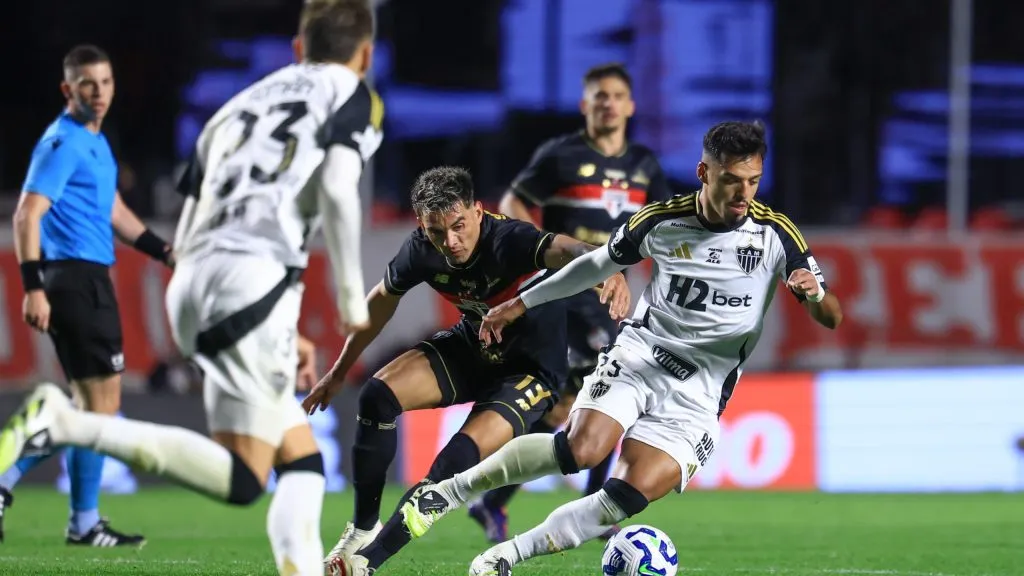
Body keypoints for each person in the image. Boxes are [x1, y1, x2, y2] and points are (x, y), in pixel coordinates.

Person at [0, 1, 380, 574]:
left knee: (300, 459)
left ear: (297, 49)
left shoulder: (236, 105)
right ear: (366, 55)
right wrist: (352, 301)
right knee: (242, 478)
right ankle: (63, 421)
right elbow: (338, 182)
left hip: (207, 282)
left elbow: (194, 202)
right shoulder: (351, 94)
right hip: (244, 285)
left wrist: (271, 324)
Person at [401, 121, 845, 575]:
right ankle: (453, 491)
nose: (743, 194)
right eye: (732, 180)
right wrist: (519, 302)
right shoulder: (661, 221)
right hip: (642, 357)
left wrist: (812, 294)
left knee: (626, 497)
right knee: (581, 449)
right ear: (704, 173)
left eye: (752, 181)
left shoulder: (775, 234)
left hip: (702, 391)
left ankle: (501, 557)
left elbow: (831, 316)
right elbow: (593, 265)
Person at [299, 165, 632, 576]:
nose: (451, 242)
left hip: (529, 372)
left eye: (459, 226)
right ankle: (363, 530)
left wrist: (608, 267)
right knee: (376, 395)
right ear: (422, 225)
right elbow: (380, 303)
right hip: (473, 347)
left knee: (448, 469)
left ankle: (367, 564)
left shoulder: (508, 239)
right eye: (437, 232)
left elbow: (567, 249)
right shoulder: (421, 249)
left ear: (477, 210)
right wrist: (337, 373)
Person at [474, 62, 674, 543]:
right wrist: (543, 248)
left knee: (582, 401)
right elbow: (515, 200)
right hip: (565, 288)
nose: (607, 103)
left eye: (616, 95)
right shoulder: (560, 155)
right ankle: (587, 504)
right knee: (581, 391)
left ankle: (499, 502)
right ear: (585, 104)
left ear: (630, 105)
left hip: (611, 292)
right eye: (598, 96)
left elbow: (665, 230)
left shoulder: (644, 165)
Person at [1, 44, 175, 547]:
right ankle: (21, 487)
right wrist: (33, 286)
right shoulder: (63, 143)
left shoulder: (95, 141)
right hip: (72, 280)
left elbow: (114, 210)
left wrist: (163, 250)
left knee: (90, 410)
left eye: (105, 83)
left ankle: (79, 520)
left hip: (89, 279)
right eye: (87, 84)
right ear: (67, 89)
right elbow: (25, 214)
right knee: (98, 410)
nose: (98, 93)